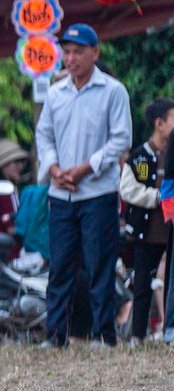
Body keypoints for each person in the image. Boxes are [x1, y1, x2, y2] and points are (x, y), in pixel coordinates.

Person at [35, 23, 132, 348]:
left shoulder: (113, 90)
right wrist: (53, 168)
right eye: (67, 51)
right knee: (60, 265)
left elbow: (121, 138)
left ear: (95, 52)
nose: (71, 58)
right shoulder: (55, 92)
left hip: (98, 192)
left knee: (99, 265)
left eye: (78, 51)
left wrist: (84, 168)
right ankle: (56, 335)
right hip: (61, 192)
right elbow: (43, 135)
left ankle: (103, 335)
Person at [121, 99, 173, 342]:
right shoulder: (140, 156)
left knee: (170, 284)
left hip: (169, 231)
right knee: (142, 285)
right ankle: (137, 336)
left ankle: (167, 331)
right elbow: (128, 189)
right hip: (146, 232)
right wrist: (158, 198)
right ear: (159, 124)